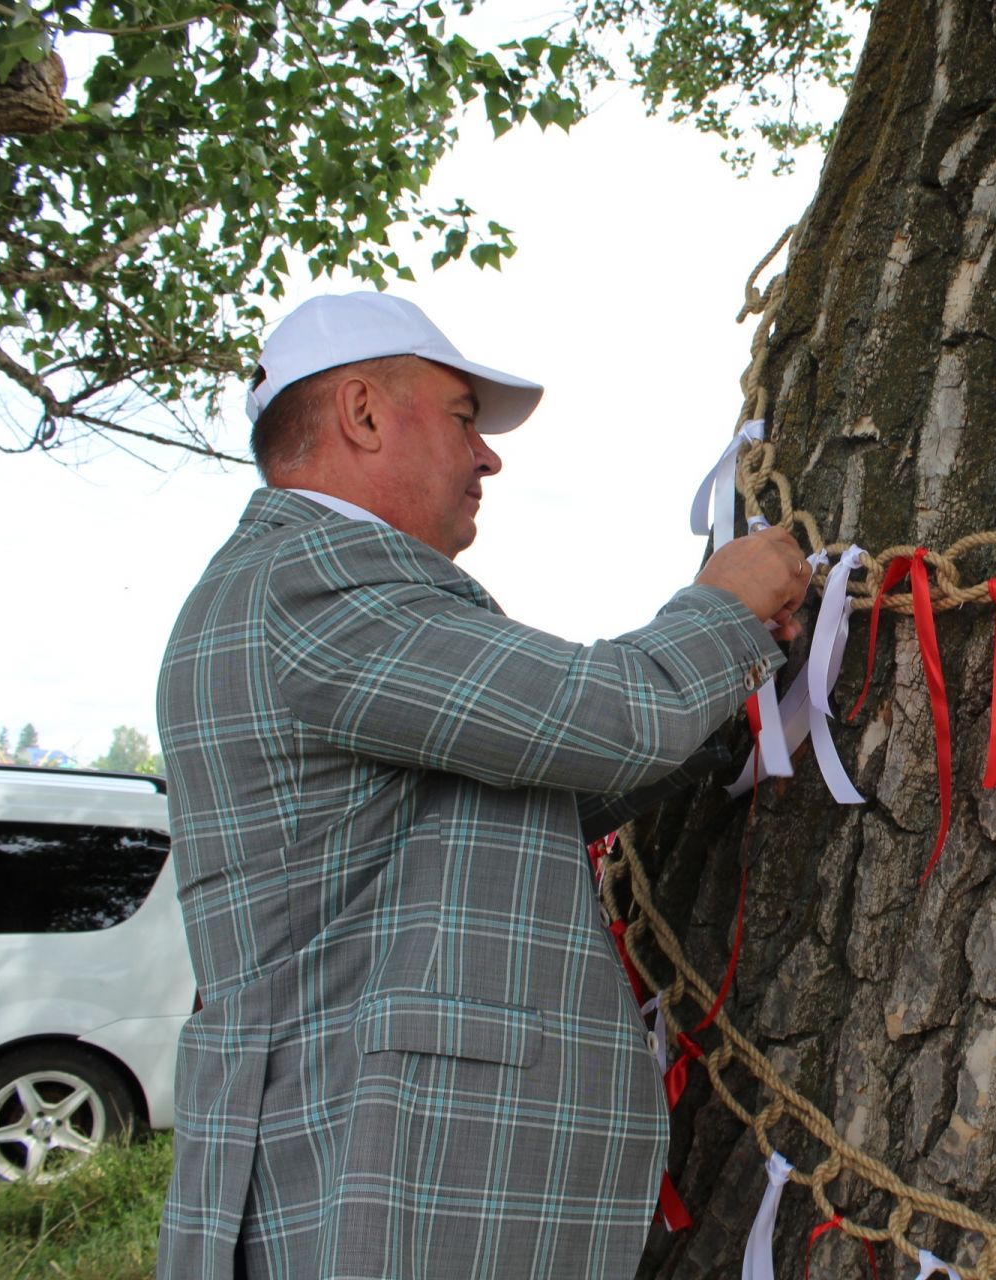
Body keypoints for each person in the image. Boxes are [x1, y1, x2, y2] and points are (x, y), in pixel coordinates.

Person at [155, 292, 810, 1280]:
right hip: (379, 1193)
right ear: (365, 412)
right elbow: (598, 718)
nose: (488, 455)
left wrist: (725, 715)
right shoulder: (310, 579)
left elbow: (526, 794)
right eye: (465, 416)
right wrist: (722, 614)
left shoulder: (301, 584)